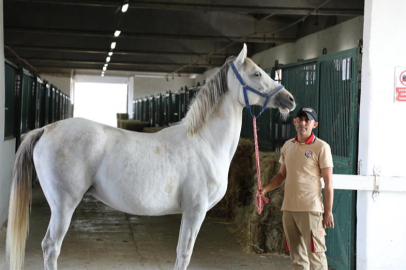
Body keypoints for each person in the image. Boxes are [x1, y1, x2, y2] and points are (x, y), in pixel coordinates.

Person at [261, 107, 334, 270]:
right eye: (299, 119)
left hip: (311, 210)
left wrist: (328, 212)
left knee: (316, 257)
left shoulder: (321, 147)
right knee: (297, 259)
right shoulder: (288, 146)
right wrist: (265, 189)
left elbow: (328, 182)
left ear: (314, 124)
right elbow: (281, 176)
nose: (302, 123)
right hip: (289, 209)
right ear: (294, 122)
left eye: (307, 120)